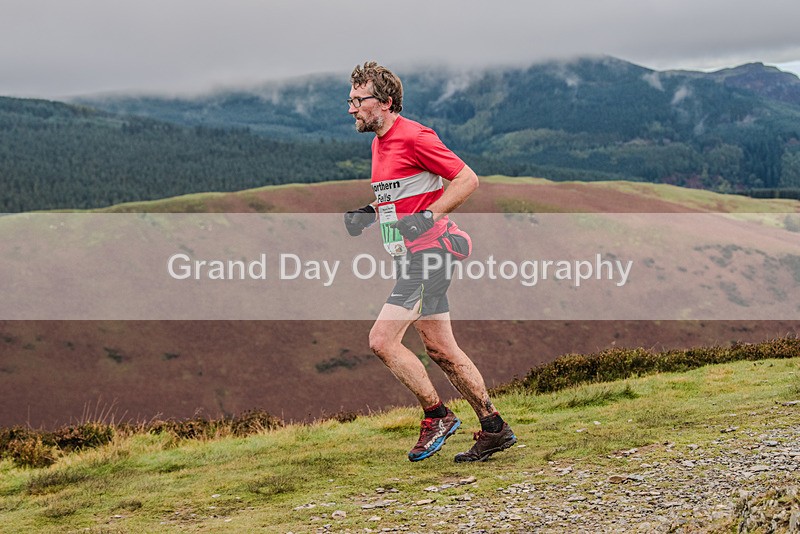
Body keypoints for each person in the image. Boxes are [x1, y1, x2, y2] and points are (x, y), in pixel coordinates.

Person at [343, 61, 516, 462]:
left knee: (382, 340)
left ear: (384, 103)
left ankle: (437, 416)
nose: (351, 108)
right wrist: (368, 214)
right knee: (441, 349)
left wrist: (428, 218)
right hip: (413, 255)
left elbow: (467, 179)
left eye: (358, 100)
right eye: (349, 100)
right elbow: (400, 197)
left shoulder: (415, 136)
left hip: (432, 252)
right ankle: (494, 428)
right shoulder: (379, 143)